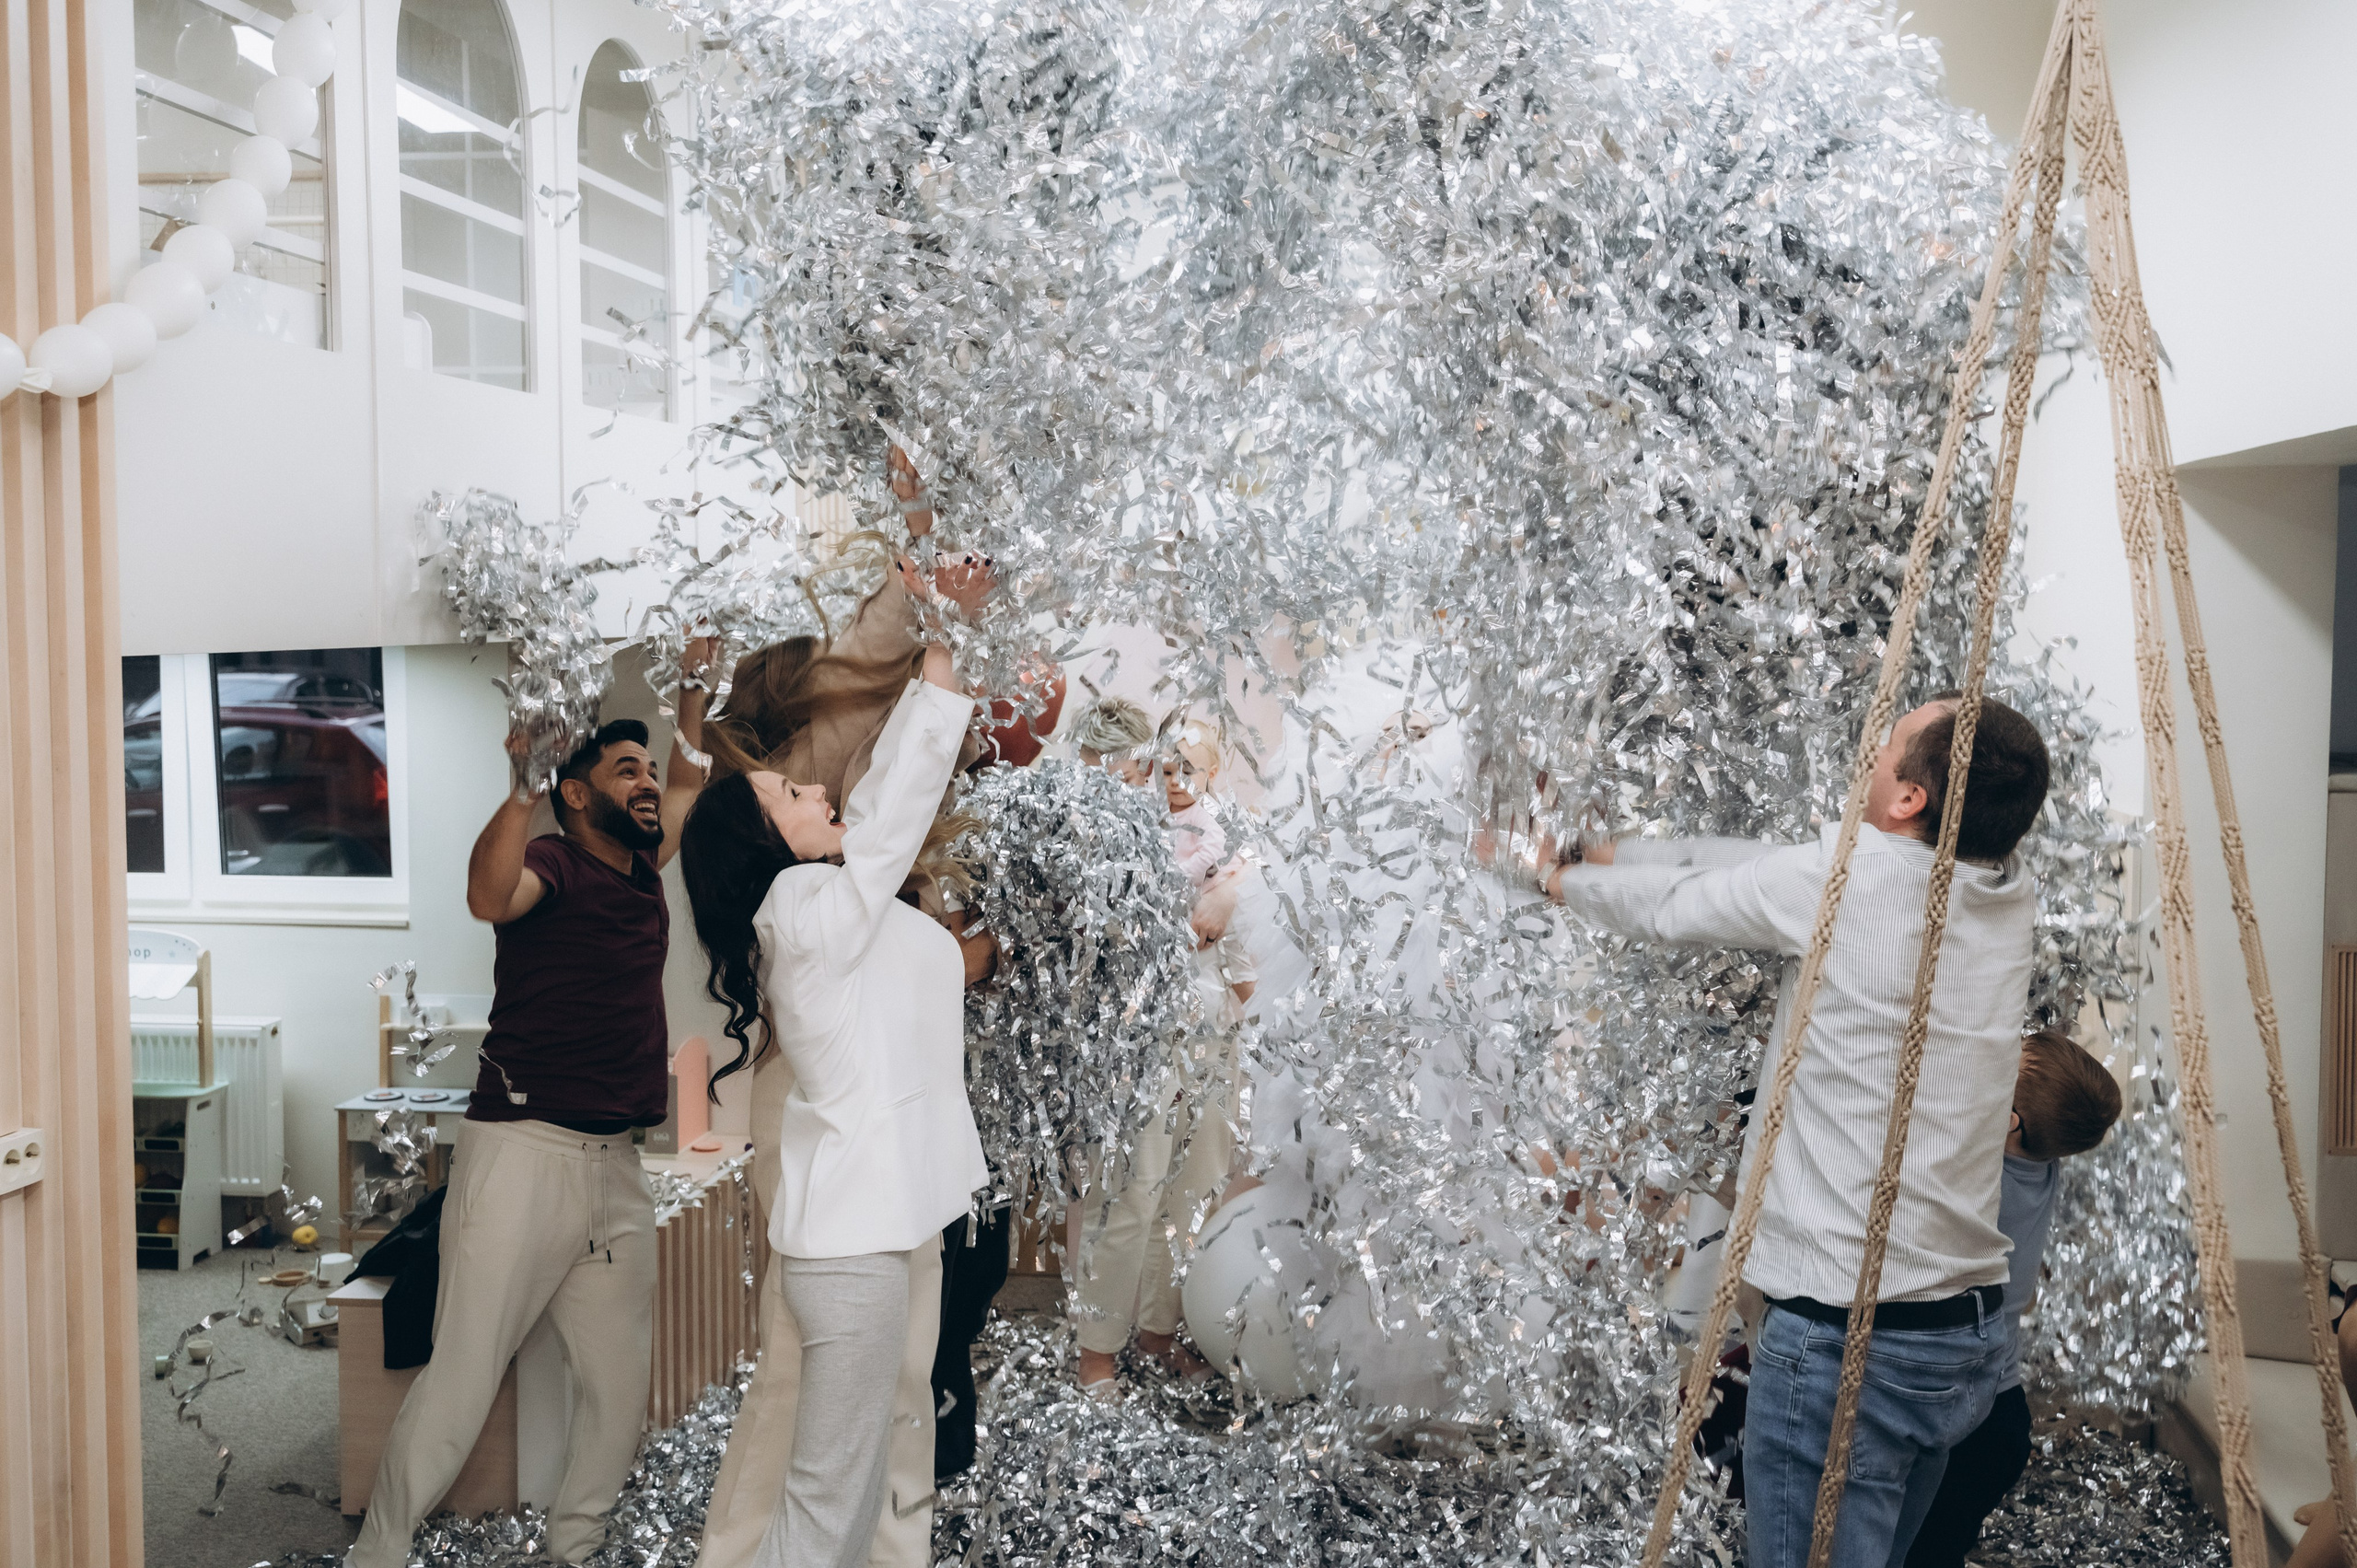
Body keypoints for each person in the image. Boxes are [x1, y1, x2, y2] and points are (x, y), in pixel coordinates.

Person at [1539, 691, 2050, 1568]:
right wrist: (1624, 850)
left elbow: (1676, 908)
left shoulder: (1846, 880)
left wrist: (1557, 877)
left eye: (1886, 750)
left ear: (1907, 802)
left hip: (1852, 1343)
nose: (1870, 756)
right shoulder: (2006, 892)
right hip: (1962, 1341)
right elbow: (1755, 863)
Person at [693, 450, 994, 1568]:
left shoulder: (827, 896)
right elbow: (893, 798)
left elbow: (885, 820)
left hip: (887, 1212)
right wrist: (944, 631)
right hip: (853, 1233)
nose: (814, 785)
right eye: (787, 791)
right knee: (820, 1490)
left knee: (869, 1456)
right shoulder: (806, 904)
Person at [348, 658, 711, 1568]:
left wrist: (697, 690)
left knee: (620, 1386)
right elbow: (485, 894)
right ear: (576, 795)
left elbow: (690, 779)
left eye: (643, 767)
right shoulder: (550, 862)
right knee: (464, 1376)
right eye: (624, 770)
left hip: (615, 1164)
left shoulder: (639, 867)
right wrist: (520, 783)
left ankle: (575, 1545)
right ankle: (377, 1554)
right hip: (523, 1150)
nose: (644, 780)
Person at [1069, 700, 1255, 1397]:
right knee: (1131, 1194)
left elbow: (1244, 930)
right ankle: (1097, 1352)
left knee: (1195, 1188)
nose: (1172, 777)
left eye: (1188, 765)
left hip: (1213, 1027)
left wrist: (1233, 894)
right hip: (1137, 1032)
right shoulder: (1122, 837)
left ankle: (1159, 1329)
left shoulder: (1224, 836)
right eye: (1163, 764)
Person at [1904, 1027, 2122, 1567]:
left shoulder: (1983, 1180)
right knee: (1937, 1549)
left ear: (2010, 1123)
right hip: (2002, 1417)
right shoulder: (2044, 1163)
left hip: (1962, 1421)